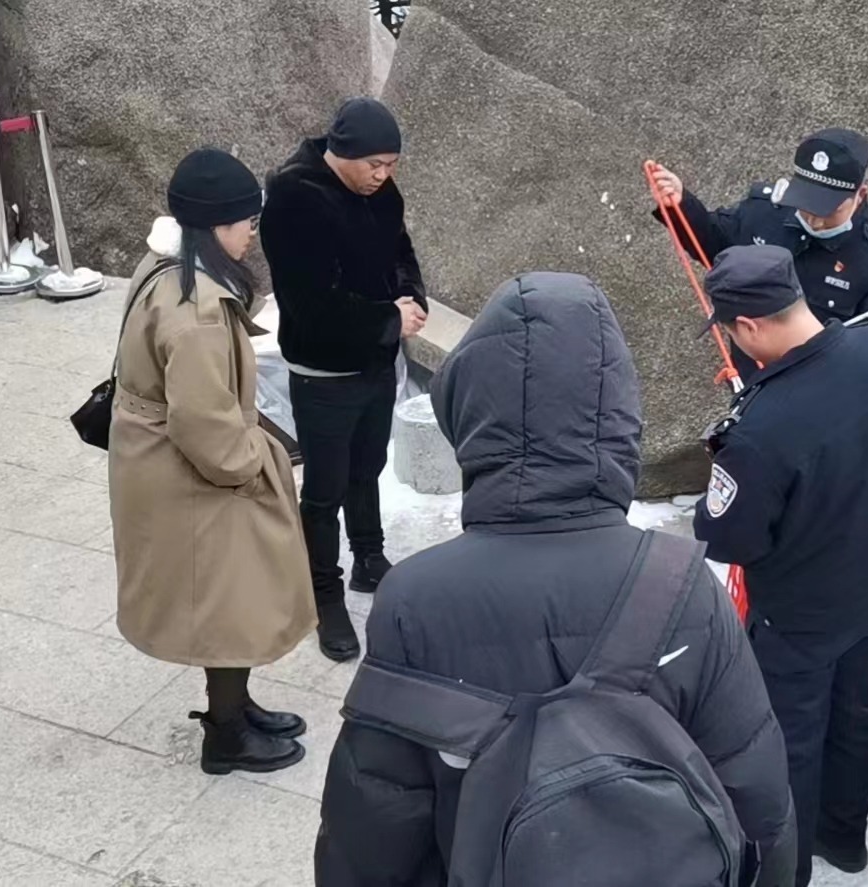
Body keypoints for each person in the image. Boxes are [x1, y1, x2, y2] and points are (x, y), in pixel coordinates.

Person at [314, 272, 796, 887]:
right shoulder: (682, 586)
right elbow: (757, 796)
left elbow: (373, 824)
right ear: (619, 416)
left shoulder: (414, 601)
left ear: (466, 414)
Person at [692, 246, 868, 885]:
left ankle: (784, 871)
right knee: (856, 711)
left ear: (749, 326)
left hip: (798, 615)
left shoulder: (762, 430)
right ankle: (843, 839)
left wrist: (730, 455)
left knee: (787, 741)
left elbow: (727, 537)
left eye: (731, 331)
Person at [109, 148, 315, 776]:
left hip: (157, 461)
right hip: (190, 475)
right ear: (214, 224)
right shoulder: (195, 309)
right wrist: (256, 462)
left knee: (223, 596)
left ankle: (236, 706)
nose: (252, 232)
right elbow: (204, 426)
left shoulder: (166, 265)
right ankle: (226, 736)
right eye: (246, 221)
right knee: (229, 598)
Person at [260, 97, 430, 663]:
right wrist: (387, 320)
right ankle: (323, 592)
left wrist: (411, 297)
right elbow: (309, 305)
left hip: (375, 364)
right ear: (343, 152)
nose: (383, 176)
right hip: (324, 372)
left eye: (392, 165)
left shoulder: (380, 192)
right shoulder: (295, 198)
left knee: (367, 467)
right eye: (374, 165)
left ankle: (369, 557)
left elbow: (401, 250)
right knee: (325, 487)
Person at [649, 128, 868, 376]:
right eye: (807, 205)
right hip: (751, 380)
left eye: (829, 210)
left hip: (817, 388)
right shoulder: (765, 212)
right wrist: (680, 205)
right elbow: (714, 246)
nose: (815, 220)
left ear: (860, 195)